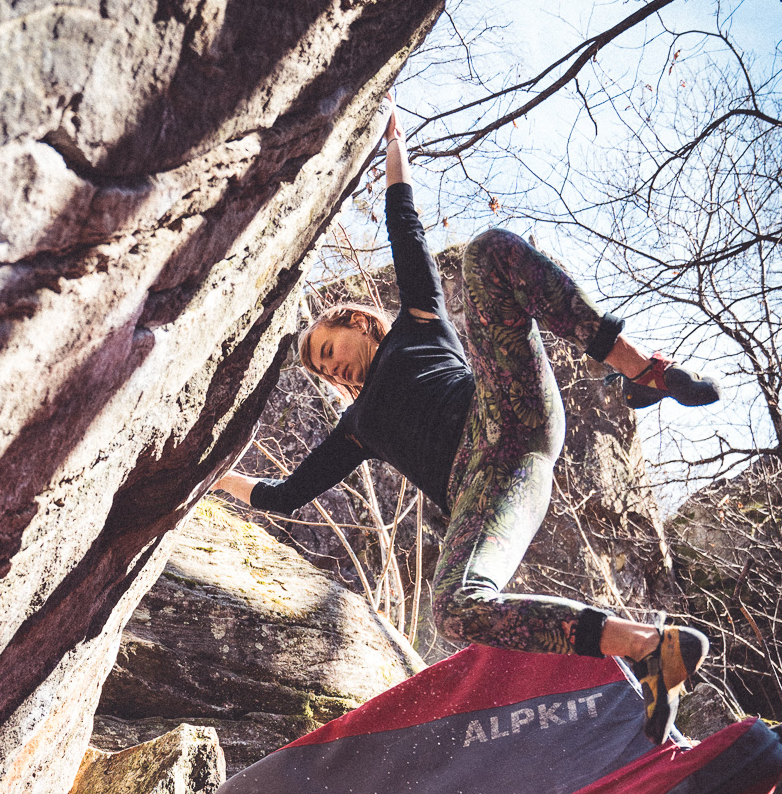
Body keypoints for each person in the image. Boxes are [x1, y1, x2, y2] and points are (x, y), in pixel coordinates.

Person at [215, 99, 716, 745]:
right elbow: (284, 496)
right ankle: (651, 650)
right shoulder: (356, 428)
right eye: (320, 370)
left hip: (506, 412)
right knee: (454, 608)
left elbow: (406, 230)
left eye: (329, 352)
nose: (330, 370)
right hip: (488, 492)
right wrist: (214, 481)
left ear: (359, 325)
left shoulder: (416, 322)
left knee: (488, 251)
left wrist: (394, 149)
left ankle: (641, 370)